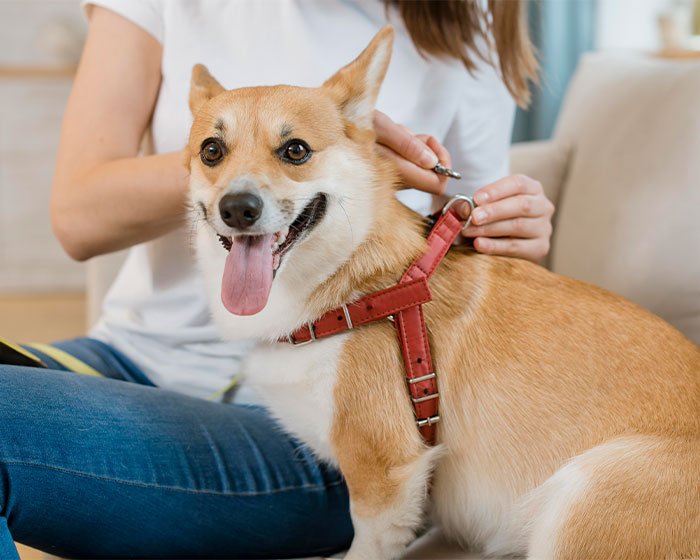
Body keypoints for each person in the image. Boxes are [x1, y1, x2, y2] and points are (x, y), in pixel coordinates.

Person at [0, 1, 554, 558]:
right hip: (130, 358)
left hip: (315, 419)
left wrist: (508, 227)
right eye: (213, 151)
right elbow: (77, 217)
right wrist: (243, 164)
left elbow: (467, 235)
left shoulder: (461, 17)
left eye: (293, 150)